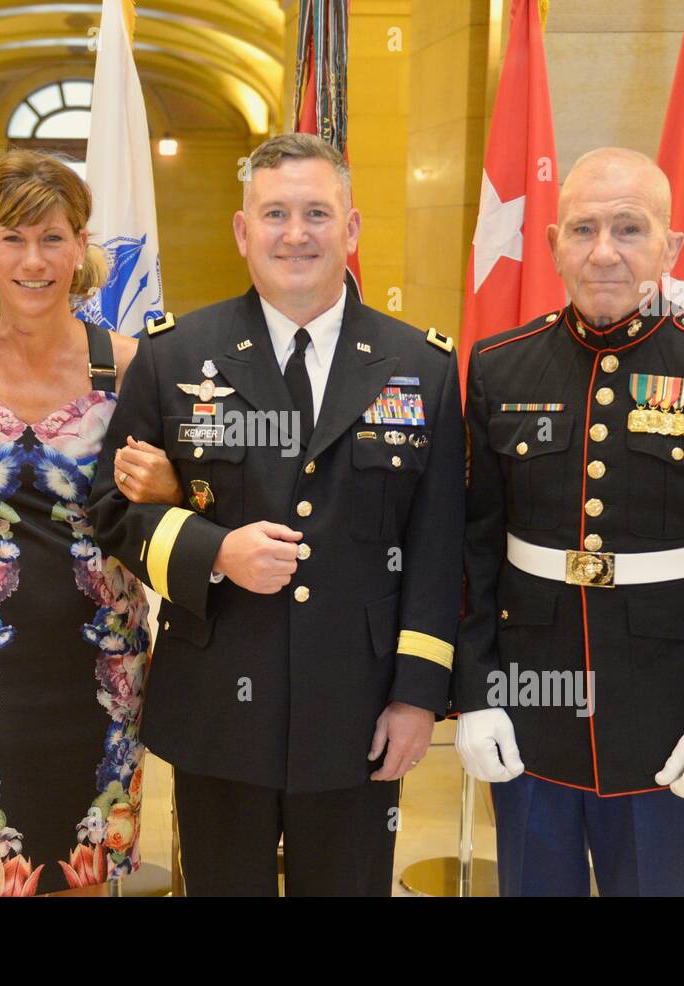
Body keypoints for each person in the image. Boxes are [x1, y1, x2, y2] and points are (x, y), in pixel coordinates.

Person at [86, 133, 466, 896]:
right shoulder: (171, 357)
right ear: (242, 230)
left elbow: (439, 543)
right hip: (219, 704)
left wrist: (418, 695)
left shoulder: (419, 366)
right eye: (276, 213)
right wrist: (214, 551)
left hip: (359, 709)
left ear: (351, 229)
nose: (297, 234)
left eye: (318, 213)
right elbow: (112, 512)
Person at [452, 147, 684, 896]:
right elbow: (471, 549)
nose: (603, 252)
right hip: (531, 709)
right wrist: (475, 693)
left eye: (629, 228)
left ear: (671, 248)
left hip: (674, 720)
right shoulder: (498, 366)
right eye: (581, 229)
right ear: (551, 245)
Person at [0, 150, 180, 896]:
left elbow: (178, 506)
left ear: (80, 247)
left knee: (85, 873)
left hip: (101, 665)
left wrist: (168, 485)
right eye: (13, 238)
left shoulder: (129, 363)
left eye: (53, 238)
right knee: (6, 874)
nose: (33, 260)